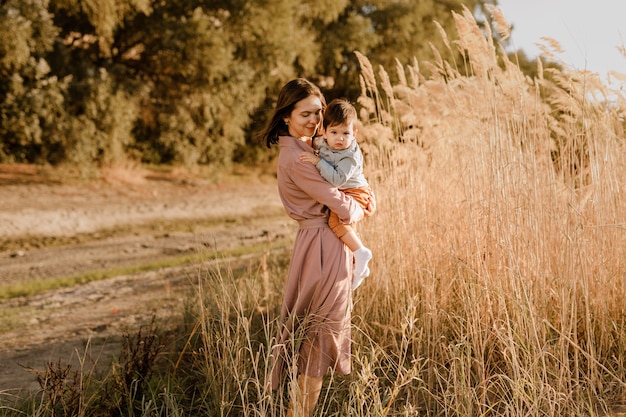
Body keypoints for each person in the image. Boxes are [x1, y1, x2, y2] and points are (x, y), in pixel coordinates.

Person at [258, 78, 375, 417]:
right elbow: (343, 206)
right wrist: (362, 206)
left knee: (315, 331)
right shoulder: (297, 157)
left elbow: (349, 181)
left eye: (318, 113)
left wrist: (365, 194)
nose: (313, 120)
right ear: (286, 117)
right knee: (321, 334)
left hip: (321, 242)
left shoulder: (311, 148)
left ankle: (299, 410)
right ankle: (300, 412)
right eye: (305, 114)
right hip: (323, 245)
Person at [299, 98, 373, 290]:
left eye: (346, 133)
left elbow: (338, 179)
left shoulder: (350, 155)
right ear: (324, 132)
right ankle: (359, 266)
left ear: (354, 134)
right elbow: (314, 144)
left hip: (355, 192)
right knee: (345, 228)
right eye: (334, 132)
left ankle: (361, 252)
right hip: (346, 191)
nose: (340, 138)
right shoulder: (324, 143)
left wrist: (318, 162)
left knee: (336, 222)